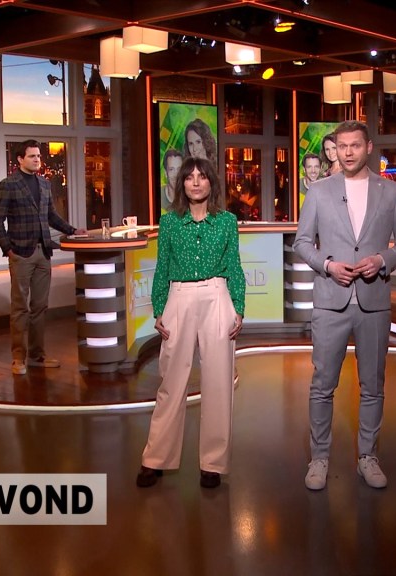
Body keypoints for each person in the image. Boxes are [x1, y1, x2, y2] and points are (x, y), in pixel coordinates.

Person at [293, 120, 396, 491]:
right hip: (330, 300)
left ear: (369, 147)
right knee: (322, 385)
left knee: (373, 386)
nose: (347, 152)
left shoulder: (391, 191)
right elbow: (302, 242)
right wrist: (328, 265)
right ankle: (318, 458)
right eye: (342, 146)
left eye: (355, 145)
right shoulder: (319, 191)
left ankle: (368, 457)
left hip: (373, 300)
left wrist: (382, 260)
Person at [137, 157, 245, 490]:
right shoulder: (169, 222)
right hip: (179, 297)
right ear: (181, 184)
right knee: (171, 382)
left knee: (219, 382)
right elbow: (162, 267)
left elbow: (234, 265)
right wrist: (159, 309)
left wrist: (238, 308)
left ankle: (213, 463)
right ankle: (156, 458)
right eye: (189, 177)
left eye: (202, 176)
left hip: (217, 295)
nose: (196, 182)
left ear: (212, 182)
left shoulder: (227, 221)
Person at [0, 140, 82, 375]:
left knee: (40, 307)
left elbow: (51, 216)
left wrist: (72, 230)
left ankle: (37, 355)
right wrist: (8, 249)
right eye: (32, 156)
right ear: (20, 159)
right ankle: (18, 358)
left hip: (43, 253)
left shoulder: (44, 183)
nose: (37, 160)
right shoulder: (8, 185)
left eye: (39, 156)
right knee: (20, 308)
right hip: (21, 253)